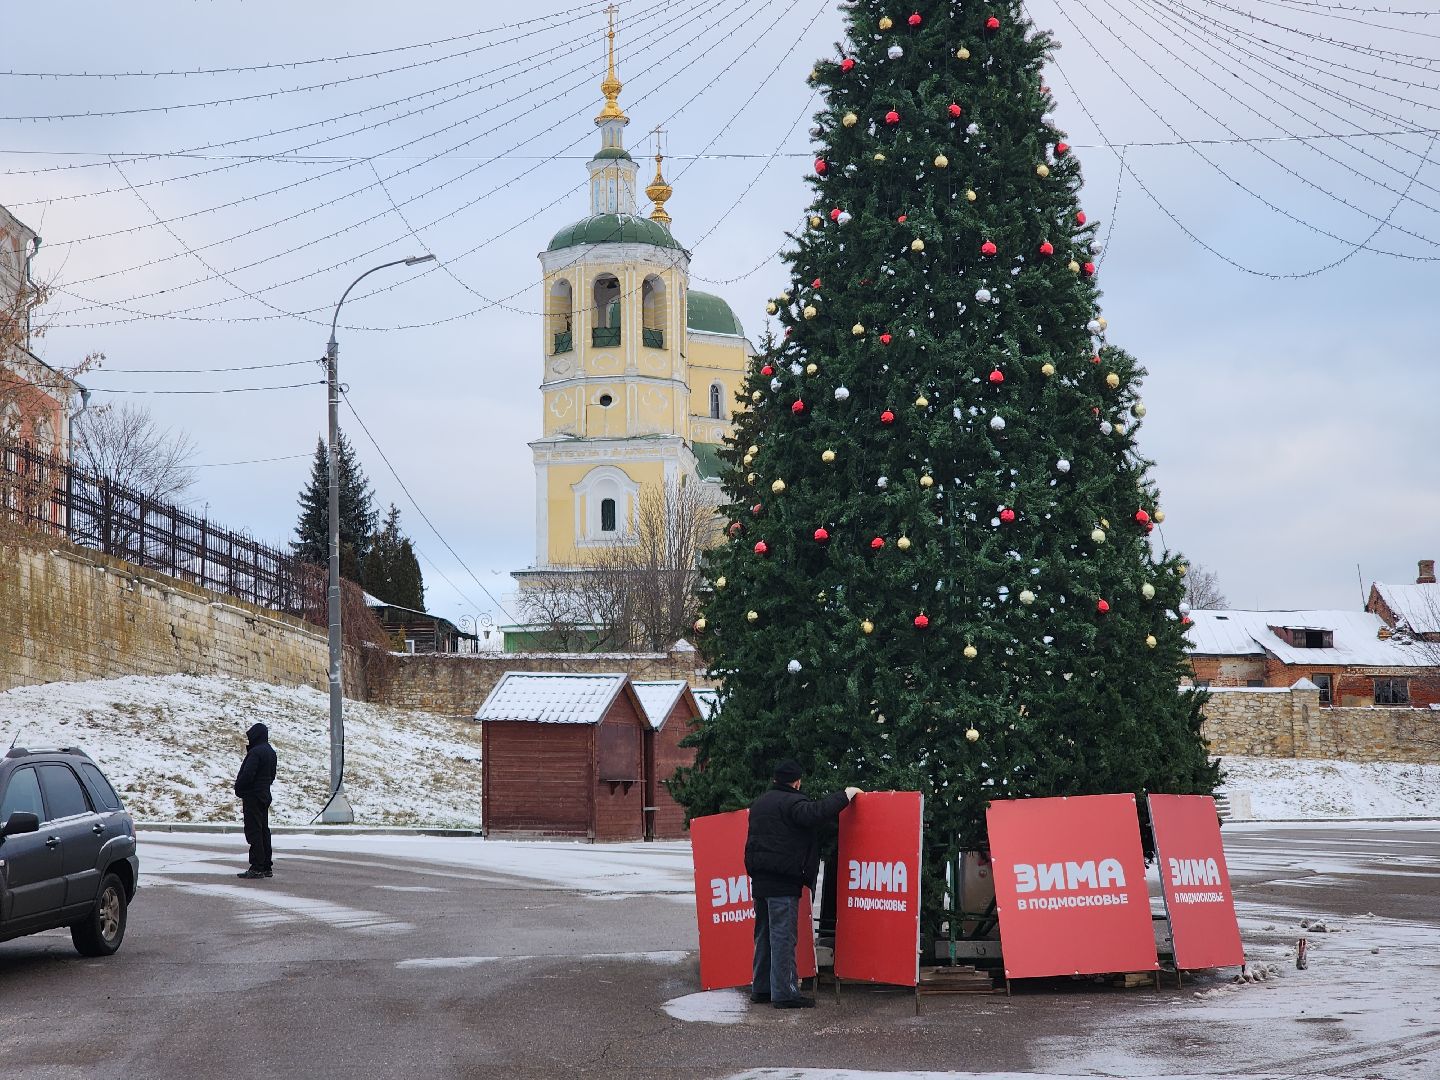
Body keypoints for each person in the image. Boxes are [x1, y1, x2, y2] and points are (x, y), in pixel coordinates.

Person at [744, 758, 861, 1009]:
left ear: (775, 779)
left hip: (761, 880)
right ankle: (785, 993)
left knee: (763, 936)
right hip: (783, 881)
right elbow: (816, 813)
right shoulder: (793, 802)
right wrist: (845, 795)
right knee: (783, 938)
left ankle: (762, 989)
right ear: (797, 782)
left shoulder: (760, 803)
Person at [234, 722, 277, 879]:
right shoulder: (271, 752)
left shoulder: (255, 753)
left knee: (254, 831)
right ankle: (266, 866)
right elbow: (272, 775)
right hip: (264, 794)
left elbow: (248, 775)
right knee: (264, 830)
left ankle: (257, 866)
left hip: (253, 795)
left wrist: (239, 788)